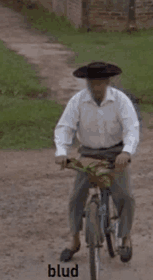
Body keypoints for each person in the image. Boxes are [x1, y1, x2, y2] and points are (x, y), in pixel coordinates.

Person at [54, 61, 140, 263]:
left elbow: (132, 128)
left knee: (126, 196)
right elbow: (65, 127)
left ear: (108, 82)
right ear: (87, 83)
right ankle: (74, 239)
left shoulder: (121, 100)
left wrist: (127, 152)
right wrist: (61, 152)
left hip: (115, 154)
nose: (96, 87)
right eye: (92, 83)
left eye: (100, 82)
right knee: (76, 197)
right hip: (89, 155)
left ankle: (125, 237)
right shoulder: (78, 101)